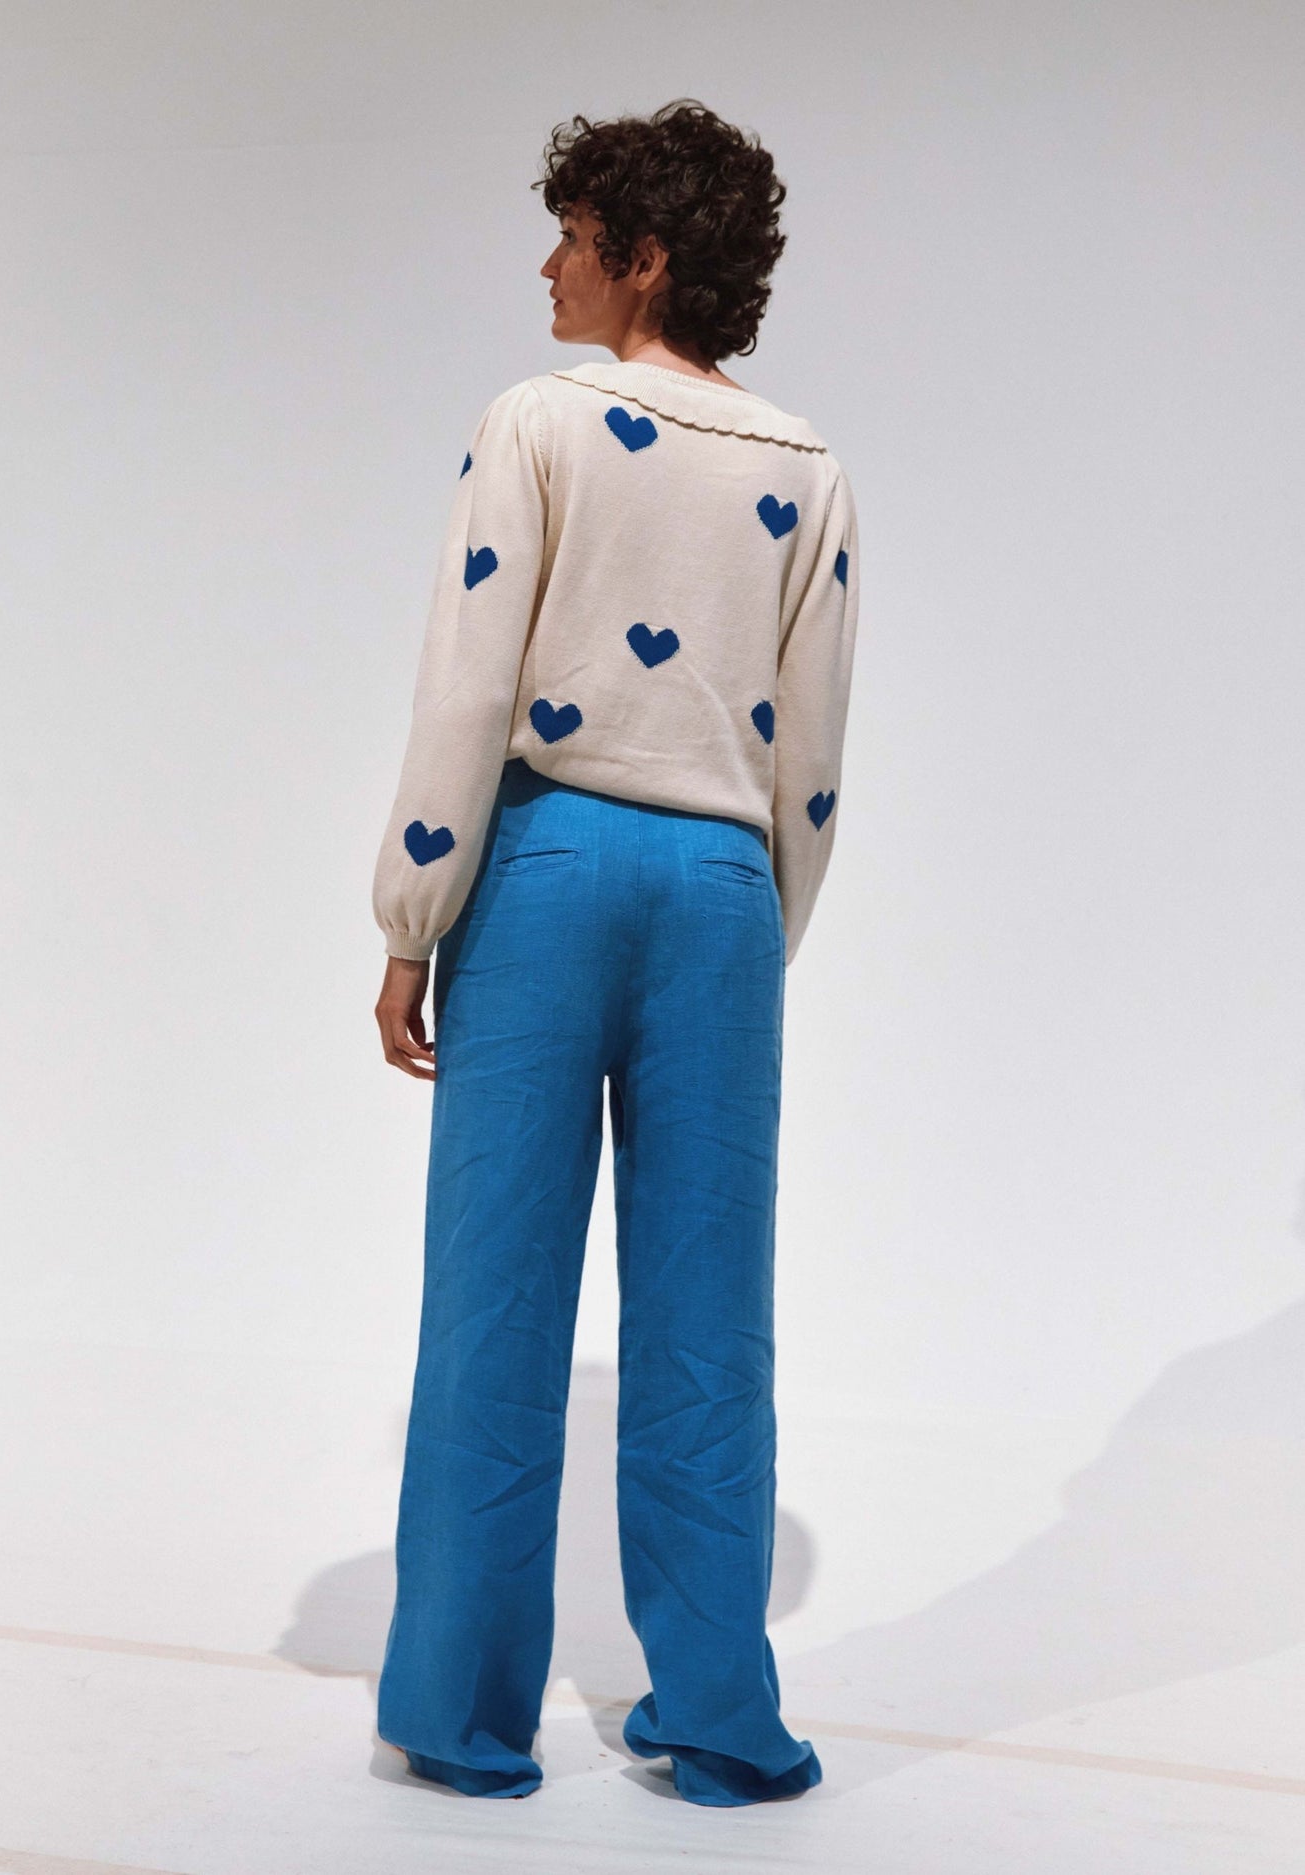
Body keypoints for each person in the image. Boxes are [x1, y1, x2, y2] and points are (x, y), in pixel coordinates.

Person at [369, 98, 861, 1808]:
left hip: (548, 867)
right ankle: (720, 1715)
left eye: (574, 239)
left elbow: (467, 686)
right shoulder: (807, 467)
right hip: (722, 891)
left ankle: (460, 1713)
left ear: (643, 259)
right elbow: (812, 749)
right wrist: (760, 924)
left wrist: (413, 913)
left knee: (495, 1299)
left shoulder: (540, 423)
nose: (548, 268)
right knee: (713, 1319)